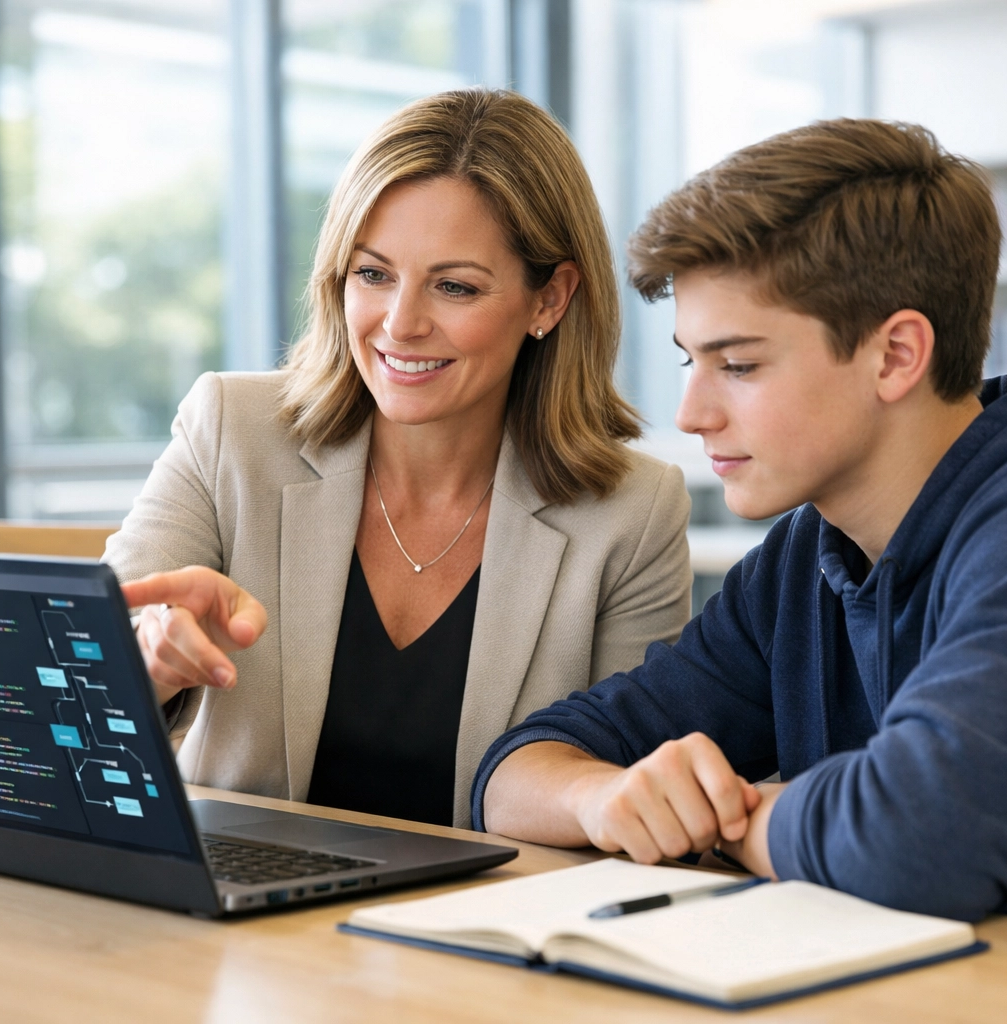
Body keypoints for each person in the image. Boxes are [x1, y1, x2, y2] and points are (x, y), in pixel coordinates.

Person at [473, 118, 1007, 956]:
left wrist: (735, 819)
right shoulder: (809, 553)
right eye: (690, 362)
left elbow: (923, 841)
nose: (691, 414)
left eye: (738, 365)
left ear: (896, 355)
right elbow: (517, 771)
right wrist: (602, 798)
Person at [104, 88, 692, 829]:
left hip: (472, 925)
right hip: (241, 912)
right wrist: (144, 662)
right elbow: (70, 681)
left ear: (550, 299)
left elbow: (624, 790)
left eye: (454, 286)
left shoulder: (632, 513)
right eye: (373, 274)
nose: (401, 325)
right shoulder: (232, 429)